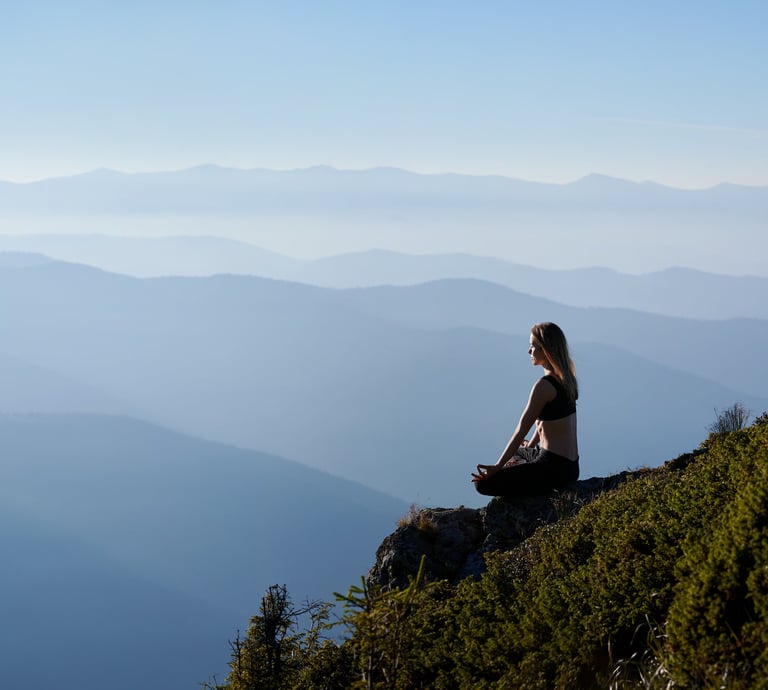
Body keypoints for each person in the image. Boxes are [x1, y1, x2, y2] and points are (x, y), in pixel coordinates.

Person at [472, 322, 579, 497]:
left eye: (533, 346)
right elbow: (549, 421)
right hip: (571, 466)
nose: (529, 351)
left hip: (553, 468)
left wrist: (497, 467)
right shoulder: (566, 380)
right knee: (519, 452)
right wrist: (531, 445)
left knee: (483, 485)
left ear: (546, 350)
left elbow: (521, 430)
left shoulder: (543, 387)